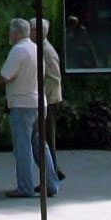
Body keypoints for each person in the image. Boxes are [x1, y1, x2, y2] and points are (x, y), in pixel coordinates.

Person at [0, 19, 44, 197]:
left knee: (22, 146)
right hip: (39, 101)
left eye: (11, 32)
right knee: (41, 145)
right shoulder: (35, 49)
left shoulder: (18, 50)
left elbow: (5, 75)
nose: (9, 35)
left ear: (16, 33)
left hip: (22, 103)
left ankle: (25, 187)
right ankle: (50, 182)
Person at [39, 19, 67, 188]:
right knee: (46, 138)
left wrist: (41, 95)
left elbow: (54, 78)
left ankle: (52, 173)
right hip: (47, 98)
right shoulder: (43, 49)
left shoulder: (47, 51)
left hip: (48, 100)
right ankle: (54, 171)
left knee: (46, 138)